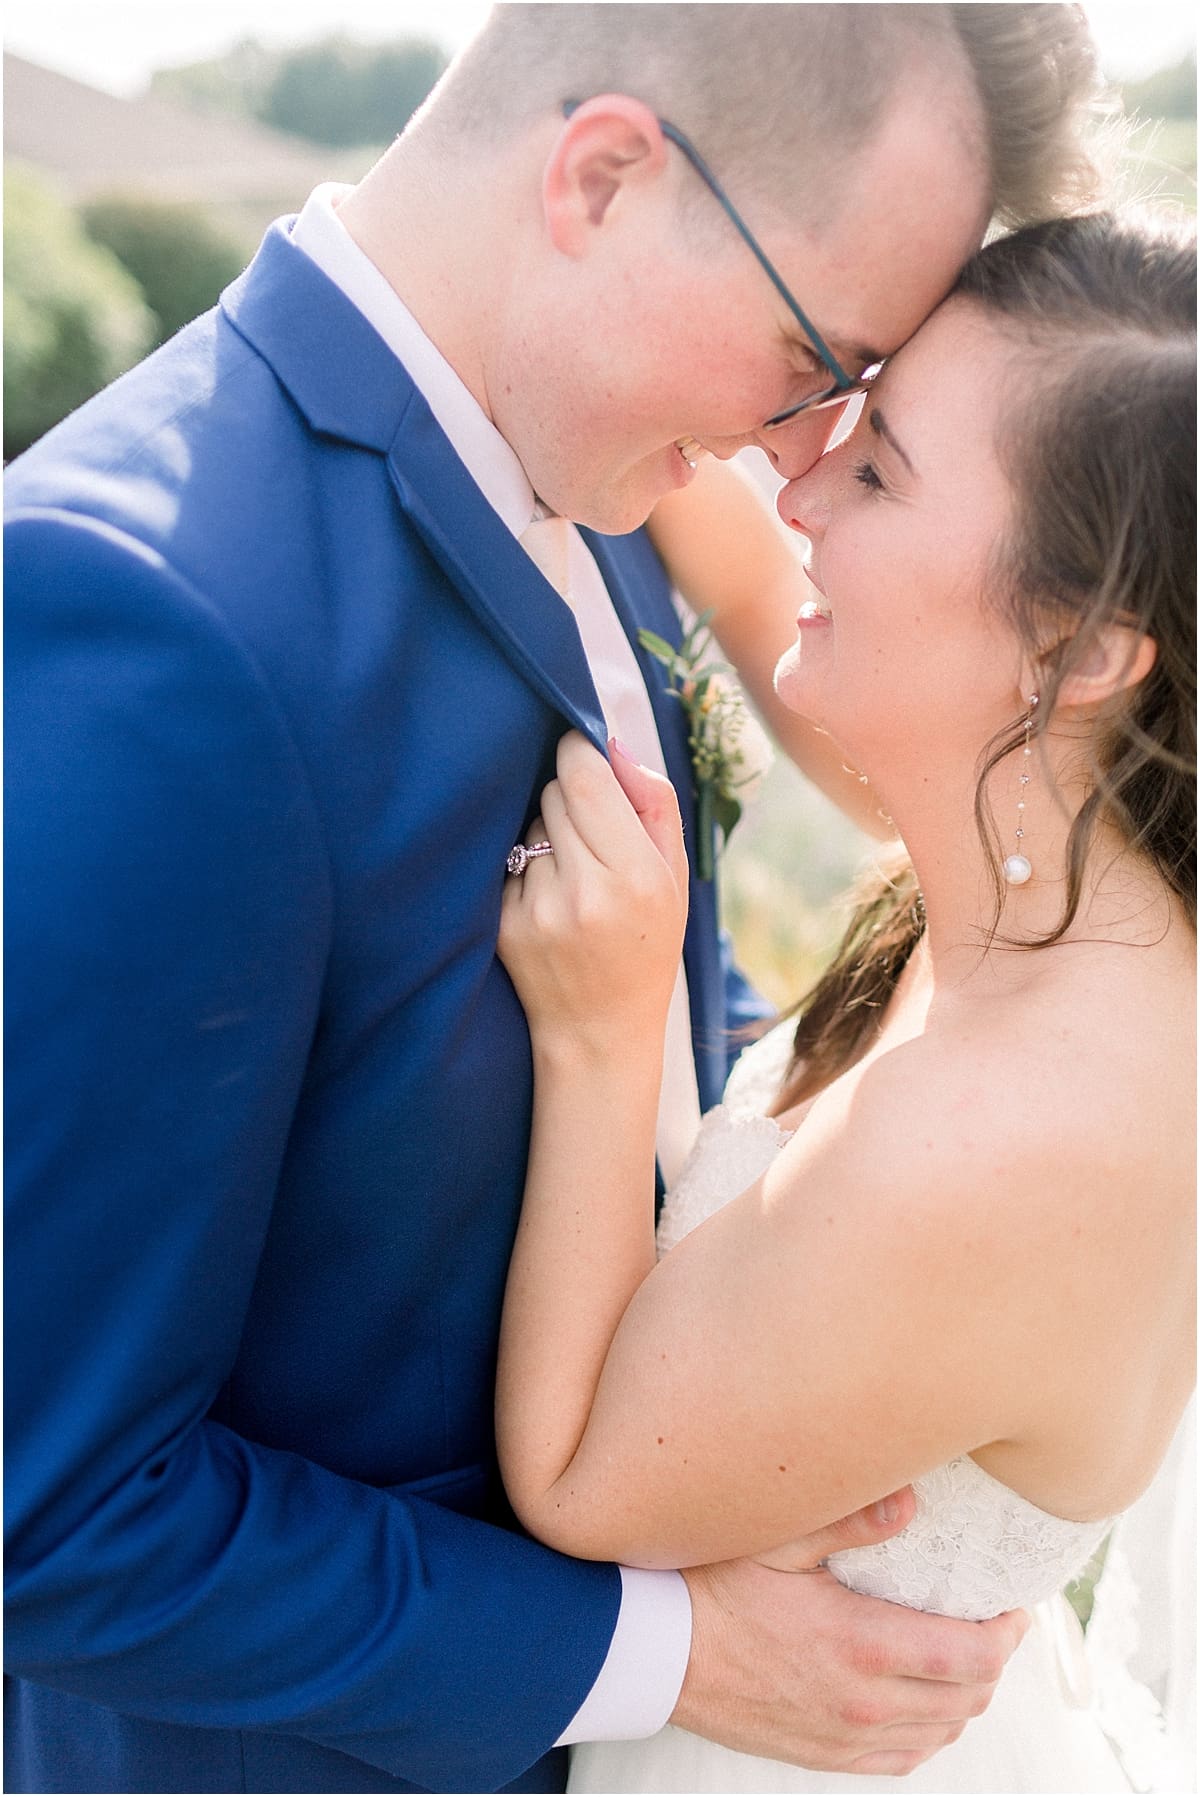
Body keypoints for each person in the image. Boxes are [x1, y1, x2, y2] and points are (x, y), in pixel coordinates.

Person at [5, 6, 1104, 1792]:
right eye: (815, 357)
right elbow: (39, 1508)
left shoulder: (595, 485)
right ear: (602, 177)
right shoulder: (145, 619)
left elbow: (633, 1036)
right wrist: (663, 1649)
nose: (800, 451)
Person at [494, 207, 1196, 1794]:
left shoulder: (1003, 1139)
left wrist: (599, 1027)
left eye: (876, 471)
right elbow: (843, 669)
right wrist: (648, 464)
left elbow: (581, 1474)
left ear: (1084, 648)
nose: (798, 485)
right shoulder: (1072, 891)